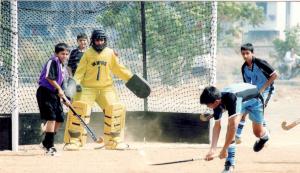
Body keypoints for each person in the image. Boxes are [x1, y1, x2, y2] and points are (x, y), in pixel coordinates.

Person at [63, 29, 134, 151]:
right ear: (93, 41)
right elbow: (79, 72)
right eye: (97, 40)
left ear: (105, 40)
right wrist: (75, 84)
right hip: (87, 88)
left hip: (106, 88)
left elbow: (119, 69)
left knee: (115, 109)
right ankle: (74, 141)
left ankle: (114, 141)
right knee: (79, 109)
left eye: (102, 40)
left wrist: (131, 79)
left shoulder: (110, 53)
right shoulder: (87, 54)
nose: (100, 42)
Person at [200, 83, 270, 173]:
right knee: (231, 126)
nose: (207, 107)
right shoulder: (216, 101)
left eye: (208, 105)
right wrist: (212, 149)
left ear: (216, 101)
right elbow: (217, 126)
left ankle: (265, 136)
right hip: (240, 102)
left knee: (257, 133)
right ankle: (229, 164)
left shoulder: (231, 99)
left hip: (255, 100)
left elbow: (232, 128)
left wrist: (224, 150)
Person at [236, 43, 277, 144]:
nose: (245, 56)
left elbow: (275, 75)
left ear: (252, 53)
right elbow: (247, 84)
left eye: (247, 53)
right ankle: (237, 137)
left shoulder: (260, 63)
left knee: (259, 109)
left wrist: (262, 90)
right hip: (256, 91)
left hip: (267, 90)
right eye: (243, 54)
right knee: (243, 108)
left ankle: (265, 135)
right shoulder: (244, 68)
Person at [36, 43, 71, 156]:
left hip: (54, 94)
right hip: (45, 92)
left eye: (66, 54)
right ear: (56, 53)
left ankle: (46, 141)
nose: (64, 56)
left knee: (59, 119)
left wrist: (66, 98)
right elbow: (49, 77)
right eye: (62, 54)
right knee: (51, 118)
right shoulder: (53, 61)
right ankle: (50, 147)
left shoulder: (62, 66)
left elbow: (62, 83)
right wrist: (59, 89)